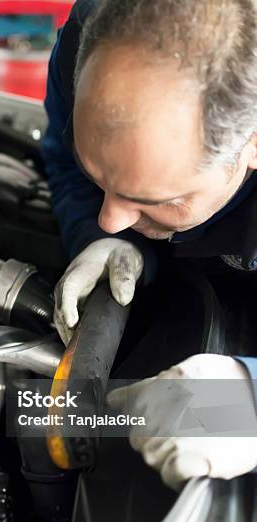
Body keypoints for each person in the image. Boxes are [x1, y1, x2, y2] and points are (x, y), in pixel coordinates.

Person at [42, 0, 257, 488]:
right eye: (104, 181)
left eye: (151, 198)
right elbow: (61, 160)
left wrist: (246, 399)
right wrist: (99, 239)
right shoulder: (93, 36)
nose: (110, 218)